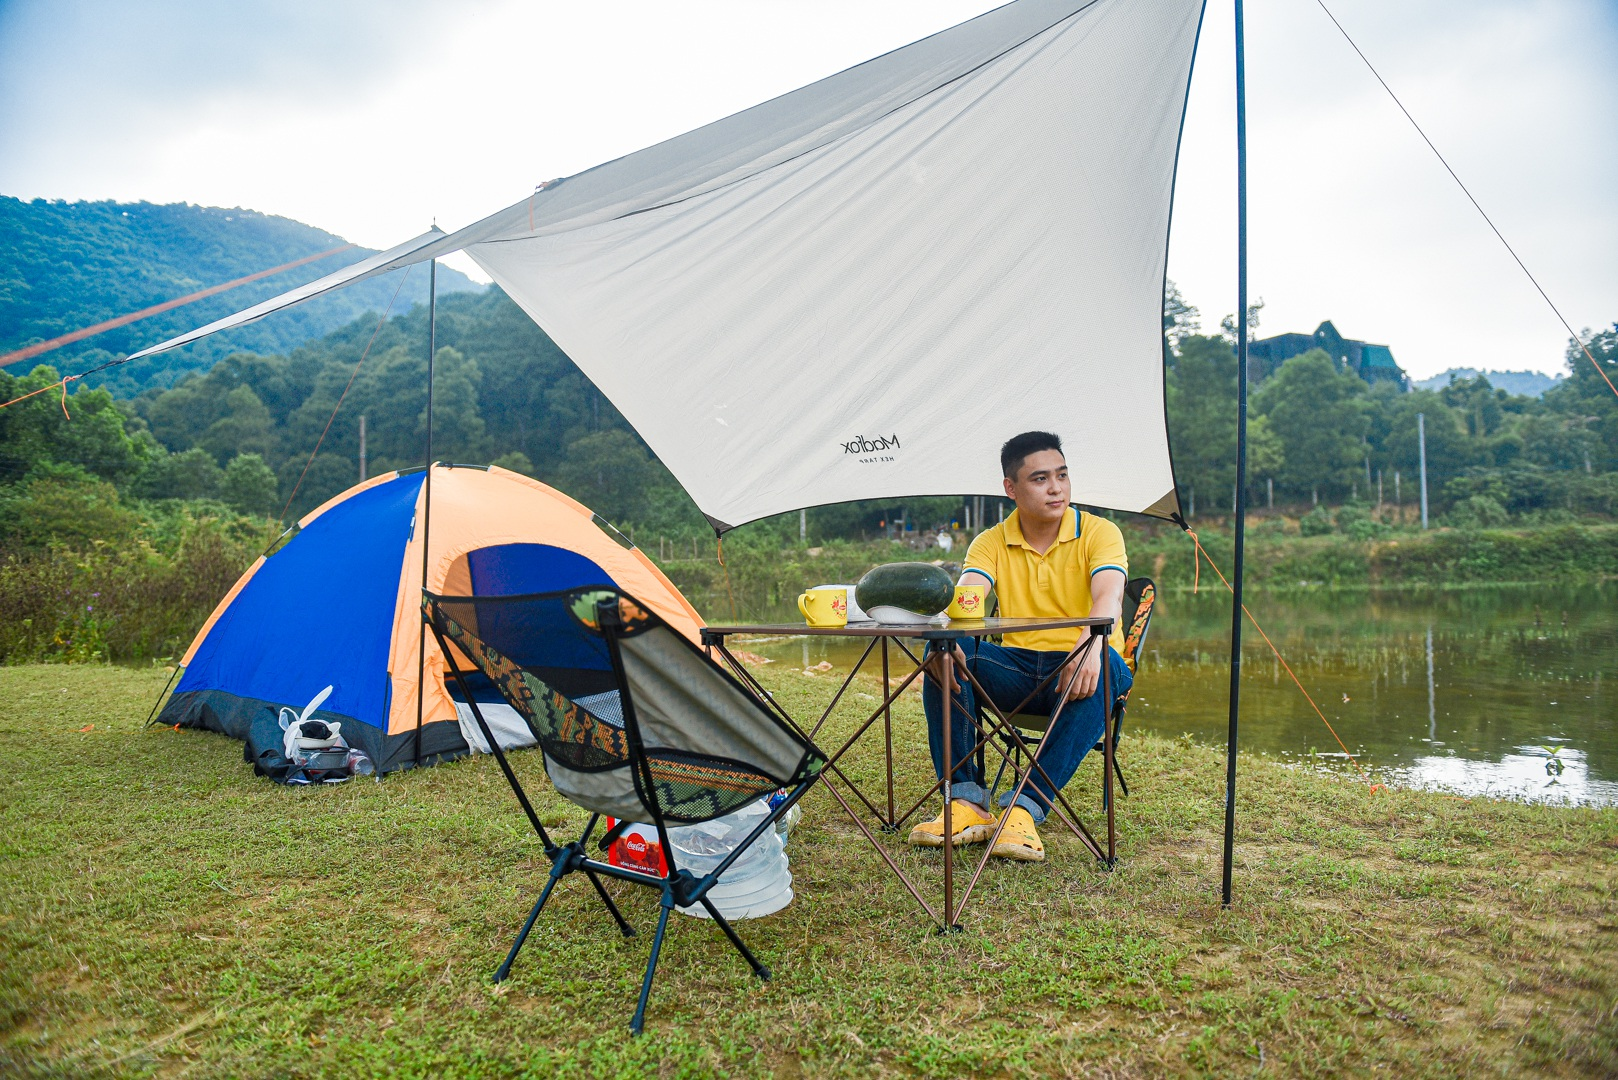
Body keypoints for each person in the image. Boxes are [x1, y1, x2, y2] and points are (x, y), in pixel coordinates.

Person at [909, 430, 1130, 862]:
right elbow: (968, 596)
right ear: (1011, 488)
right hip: (1018, 670)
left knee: (1107, 664)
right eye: (1041, 479)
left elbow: (1109, 598)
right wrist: (947, 635)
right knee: (944, 653)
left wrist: (1088, 643)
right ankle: (966, 802)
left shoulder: (1100, 532)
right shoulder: (991, 542)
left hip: (1084, 667)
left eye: (1062, 476)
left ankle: (1023, 808)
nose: (1056, 488)